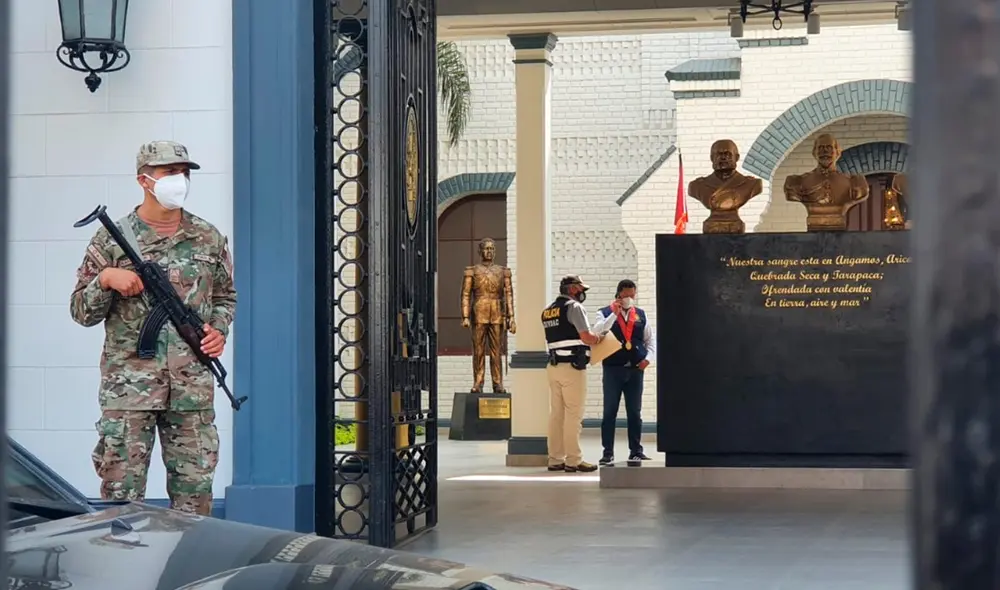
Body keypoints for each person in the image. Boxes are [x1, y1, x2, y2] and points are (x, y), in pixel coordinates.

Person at [70, 140, 237, 516]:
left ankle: (189, 567)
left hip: (191, 389)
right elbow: (80, 310)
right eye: (169, 173)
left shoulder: (208, 238)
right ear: (144, 180)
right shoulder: (111, 239)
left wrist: (218, 331)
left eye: (184, 172)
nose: (179, 180)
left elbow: (226, 296)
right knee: (121, 497)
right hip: (129, 389)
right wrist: (106, 280)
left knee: (195, 497)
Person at [541, 275, 616, 473]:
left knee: (556, 415)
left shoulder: (548, 311)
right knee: (573, 415)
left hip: (553, 367)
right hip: (572, 368)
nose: (583, 293)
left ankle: (555, 458)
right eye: (581, 289)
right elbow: (586, 337)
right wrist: (599, 338)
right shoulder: (574, 308)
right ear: (573, 289)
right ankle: (574, 460)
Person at [595, 279, 656, 465]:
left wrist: (648, 359)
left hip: (635, 369)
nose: (629, 298)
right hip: (613, 369)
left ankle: (636, 450)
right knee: (609, 412)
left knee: (634, 412)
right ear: (619, 294)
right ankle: (608, 452)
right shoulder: (604, 313)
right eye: (626, 295)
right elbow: (598, 331)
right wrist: (613, 314)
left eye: (632, 295)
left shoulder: (641, 315)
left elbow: (650, 340)